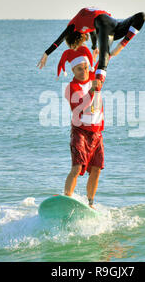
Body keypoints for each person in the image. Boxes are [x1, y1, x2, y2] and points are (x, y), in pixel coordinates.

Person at [37, 7, 145, 88]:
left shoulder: (73, 25)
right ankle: (123, 43)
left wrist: (46, 54)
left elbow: (59, 40)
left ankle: (96, 93)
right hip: (113, 26)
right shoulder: (87, 25)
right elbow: (93, 33)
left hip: (104, 24)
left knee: (104, 61)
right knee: (141, 16)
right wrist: (94, 48)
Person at [58, 37, 105, 209]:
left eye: (85, 67)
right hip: (80, 131)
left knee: (96, 169)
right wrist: (92, 90)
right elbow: (80, 108)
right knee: (77, 167)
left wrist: (102, 48)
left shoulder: (94, 77)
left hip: (97, 133)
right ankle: (66, 198)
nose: (83, 71)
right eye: (79, 69)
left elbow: (103, 65)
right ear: (73, 70)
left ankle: (90, 203)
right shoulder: (71, 88)